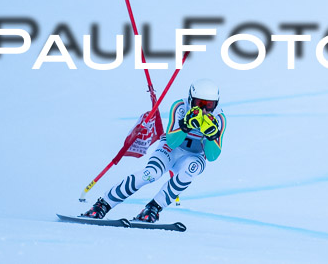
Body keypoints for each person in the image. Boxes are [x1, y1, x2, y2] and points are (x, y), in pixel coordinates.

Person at [82, 78, 226, 223]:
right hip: (170, 149)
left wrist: (211, 136)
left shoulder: (219, 118)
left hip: (193, 156)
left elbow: (212, 156)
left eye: (209, 105)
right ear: (190, 99)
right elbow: (172, 141)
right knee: (150, 174)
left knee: (192, 169)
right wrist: (185, 125)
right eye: (199, 104)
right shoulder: (180, 107)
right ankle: (103, 204)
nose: (204, 110)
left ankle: (153, 208)